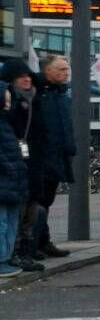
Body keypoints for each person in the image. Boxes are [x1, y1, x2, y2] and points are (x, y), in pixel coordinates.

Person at [18, 54, 74, 262]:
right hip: (42, 157)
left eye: (66, 69)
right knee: (38, 200)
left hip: (57, 155)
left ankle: (41, 241)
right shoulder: (39, 94)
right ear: (47, 71)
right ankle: (33, 243)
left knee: (46, 200)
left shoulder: (61, 95)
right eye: (60, 69)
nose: (65, 73)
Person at [1, 60, 40, 272]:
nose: (27, 79)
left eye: (29, 75)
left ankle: (14, 254)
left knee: (18, 214)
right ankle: (9, 256)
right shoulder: (11, 108)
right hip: (12, 167)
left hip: (22, 165)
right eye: (21, 76)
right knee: (8, 217)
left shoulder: (32, 100)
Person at [0, 75, 29, 278]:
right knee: (2, 222)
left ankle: (5, 258)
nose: (9, 102)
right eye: (6, 98)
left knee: (9, 220)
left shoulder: (6, 122)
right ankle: (2, 260)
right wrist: (11, 169)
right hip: (5, 180)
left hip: (11, 180)